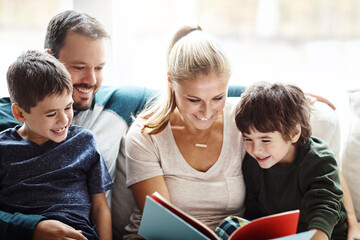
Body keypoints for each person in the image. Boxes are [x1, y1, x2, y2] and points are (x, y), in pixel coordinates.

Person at [0, 10, 156, 239]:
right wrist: (32, 228)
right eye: (79, 67)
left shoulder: (115, 104)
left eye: (100, 67)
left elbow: (188, 91)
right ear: (51, 59)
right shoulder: (8, 125)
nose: (92, 81)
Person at [123, 25, 247, 239]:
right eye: (194, 100)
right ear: (171, 81)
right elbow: (163, 227)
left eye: (218, 97)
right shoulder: (146, 135)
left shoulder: (243, 119)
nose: (207, 112)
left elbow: (281, 110)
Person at [0, 50, 113, 240]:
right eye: (51, 114)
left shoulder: (85, 142)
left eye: (68, 107)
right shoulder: (4, 149)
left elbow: (100, 208)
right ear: (19, 113)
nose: (64, 120)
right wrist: (33, 229)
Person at [234, 82, 347, 239]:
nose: (255, 149)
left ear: (294, 132)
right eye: (248, 138)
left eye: (265, 140)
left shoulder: (318, 159)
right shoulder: (252, 163)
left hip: (326, 235)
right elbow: (253, 212)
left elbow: (325, 208)